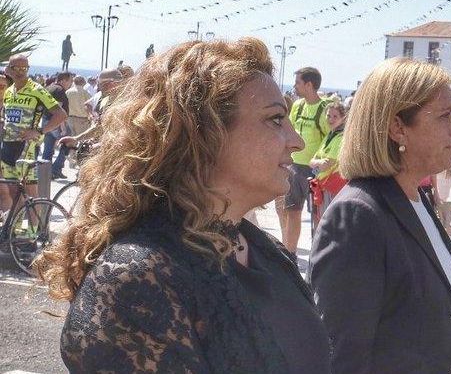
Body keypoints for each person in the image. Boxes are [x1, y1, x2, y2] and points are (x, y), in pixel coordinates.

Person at [33, 38, 331, 374]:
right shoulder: (137, 279)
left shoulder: (264, 250)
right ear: (205, 133)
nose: (297, 141)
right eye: (276, 120)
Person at [310, 59, 451, 374]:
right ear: (398, 127)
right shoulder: (359, 215)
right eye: (444, 116)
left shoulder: (415, 199)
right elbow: (341, 355)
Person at [2, 55, 68, 208]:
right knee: (13, 190)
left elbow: (61, 115)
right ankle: (16, 229)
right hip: (8, 146)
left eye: (24, 68)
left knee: (30, 191)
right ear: (9, 70)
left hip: (26, 148)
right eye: (16, 68)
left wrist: (39, 131)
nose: (20, 72)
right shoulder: (9, 91)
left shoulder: (37, 89)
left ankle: (35, 231)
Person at [277, 66, 330, 253]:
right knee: (291, 212)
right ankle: (290, 254)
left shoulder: (325, 109)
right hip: (294, 167)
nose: (294, 86)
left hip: (314, 171)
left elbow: (329, 138)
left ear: (309, 84)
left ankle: (317, 256)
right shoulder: (298, 106)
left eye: (298, 82)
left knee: (318, 216)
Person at [307, 100, 347, 229]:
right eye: (328, 115)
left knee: (328, 224)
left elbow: (327, 164)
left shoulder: (341, 137)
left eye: (335, 116)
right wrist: (318, 162)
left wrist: (317, 163)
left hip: (332, 188)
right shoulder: (329, 136)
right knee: (320, 221)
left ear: (343, 118)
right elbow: (311, 161)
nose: (331, 119)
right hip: (322, 186)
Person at [41, 71, 74, 179]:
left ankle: (45, 172)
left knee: (48, 148)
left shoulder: (49, 87)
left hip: (46, 121)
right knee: (68, 142)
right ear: (63, 80)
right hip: (56, 122)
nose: (71, 83)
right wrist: (63, 127)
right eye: (70, 81)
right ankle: (56, 168)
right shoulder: (59, 90)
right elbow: (58, 110)